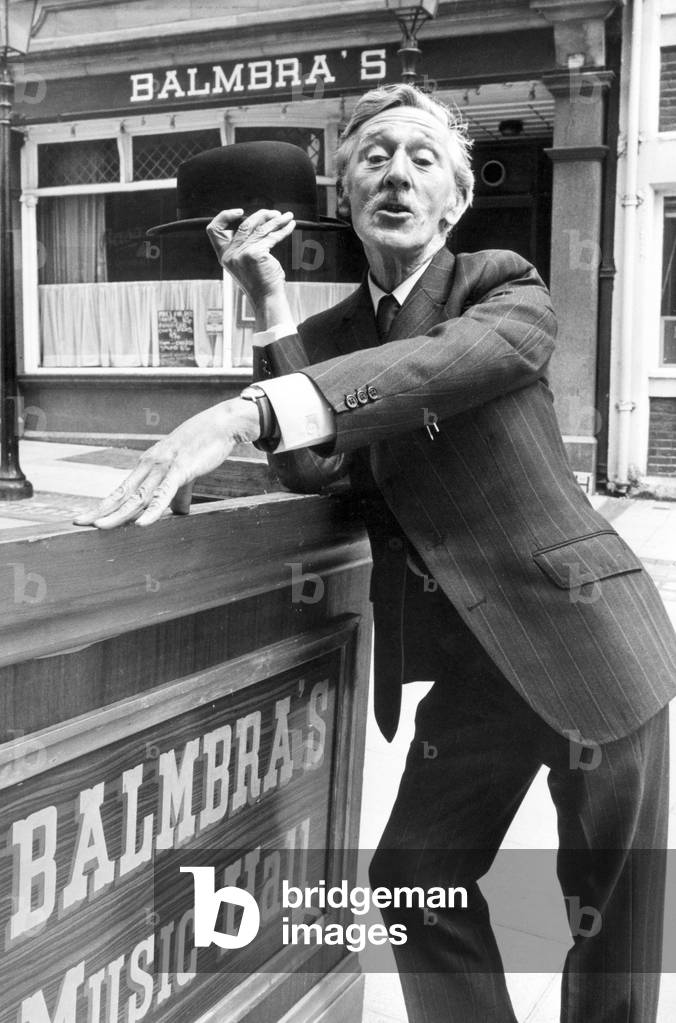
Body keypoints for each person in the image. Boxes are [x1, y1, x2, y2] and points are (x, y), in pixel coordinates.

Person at [76, 84, 676, 1022]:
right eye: (373, 155)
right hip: (478, 669)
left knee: (613, 923)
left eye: (422, 157)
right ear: (343, 192)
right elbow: (316, 462)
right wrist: (268, 303)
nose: (397, 171)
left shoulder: (503, 286)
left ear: (457, 200)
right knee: (409, 880)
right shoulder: (326, 339)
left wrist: (244, 412)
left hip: (590, 637)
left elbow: (427, 371)